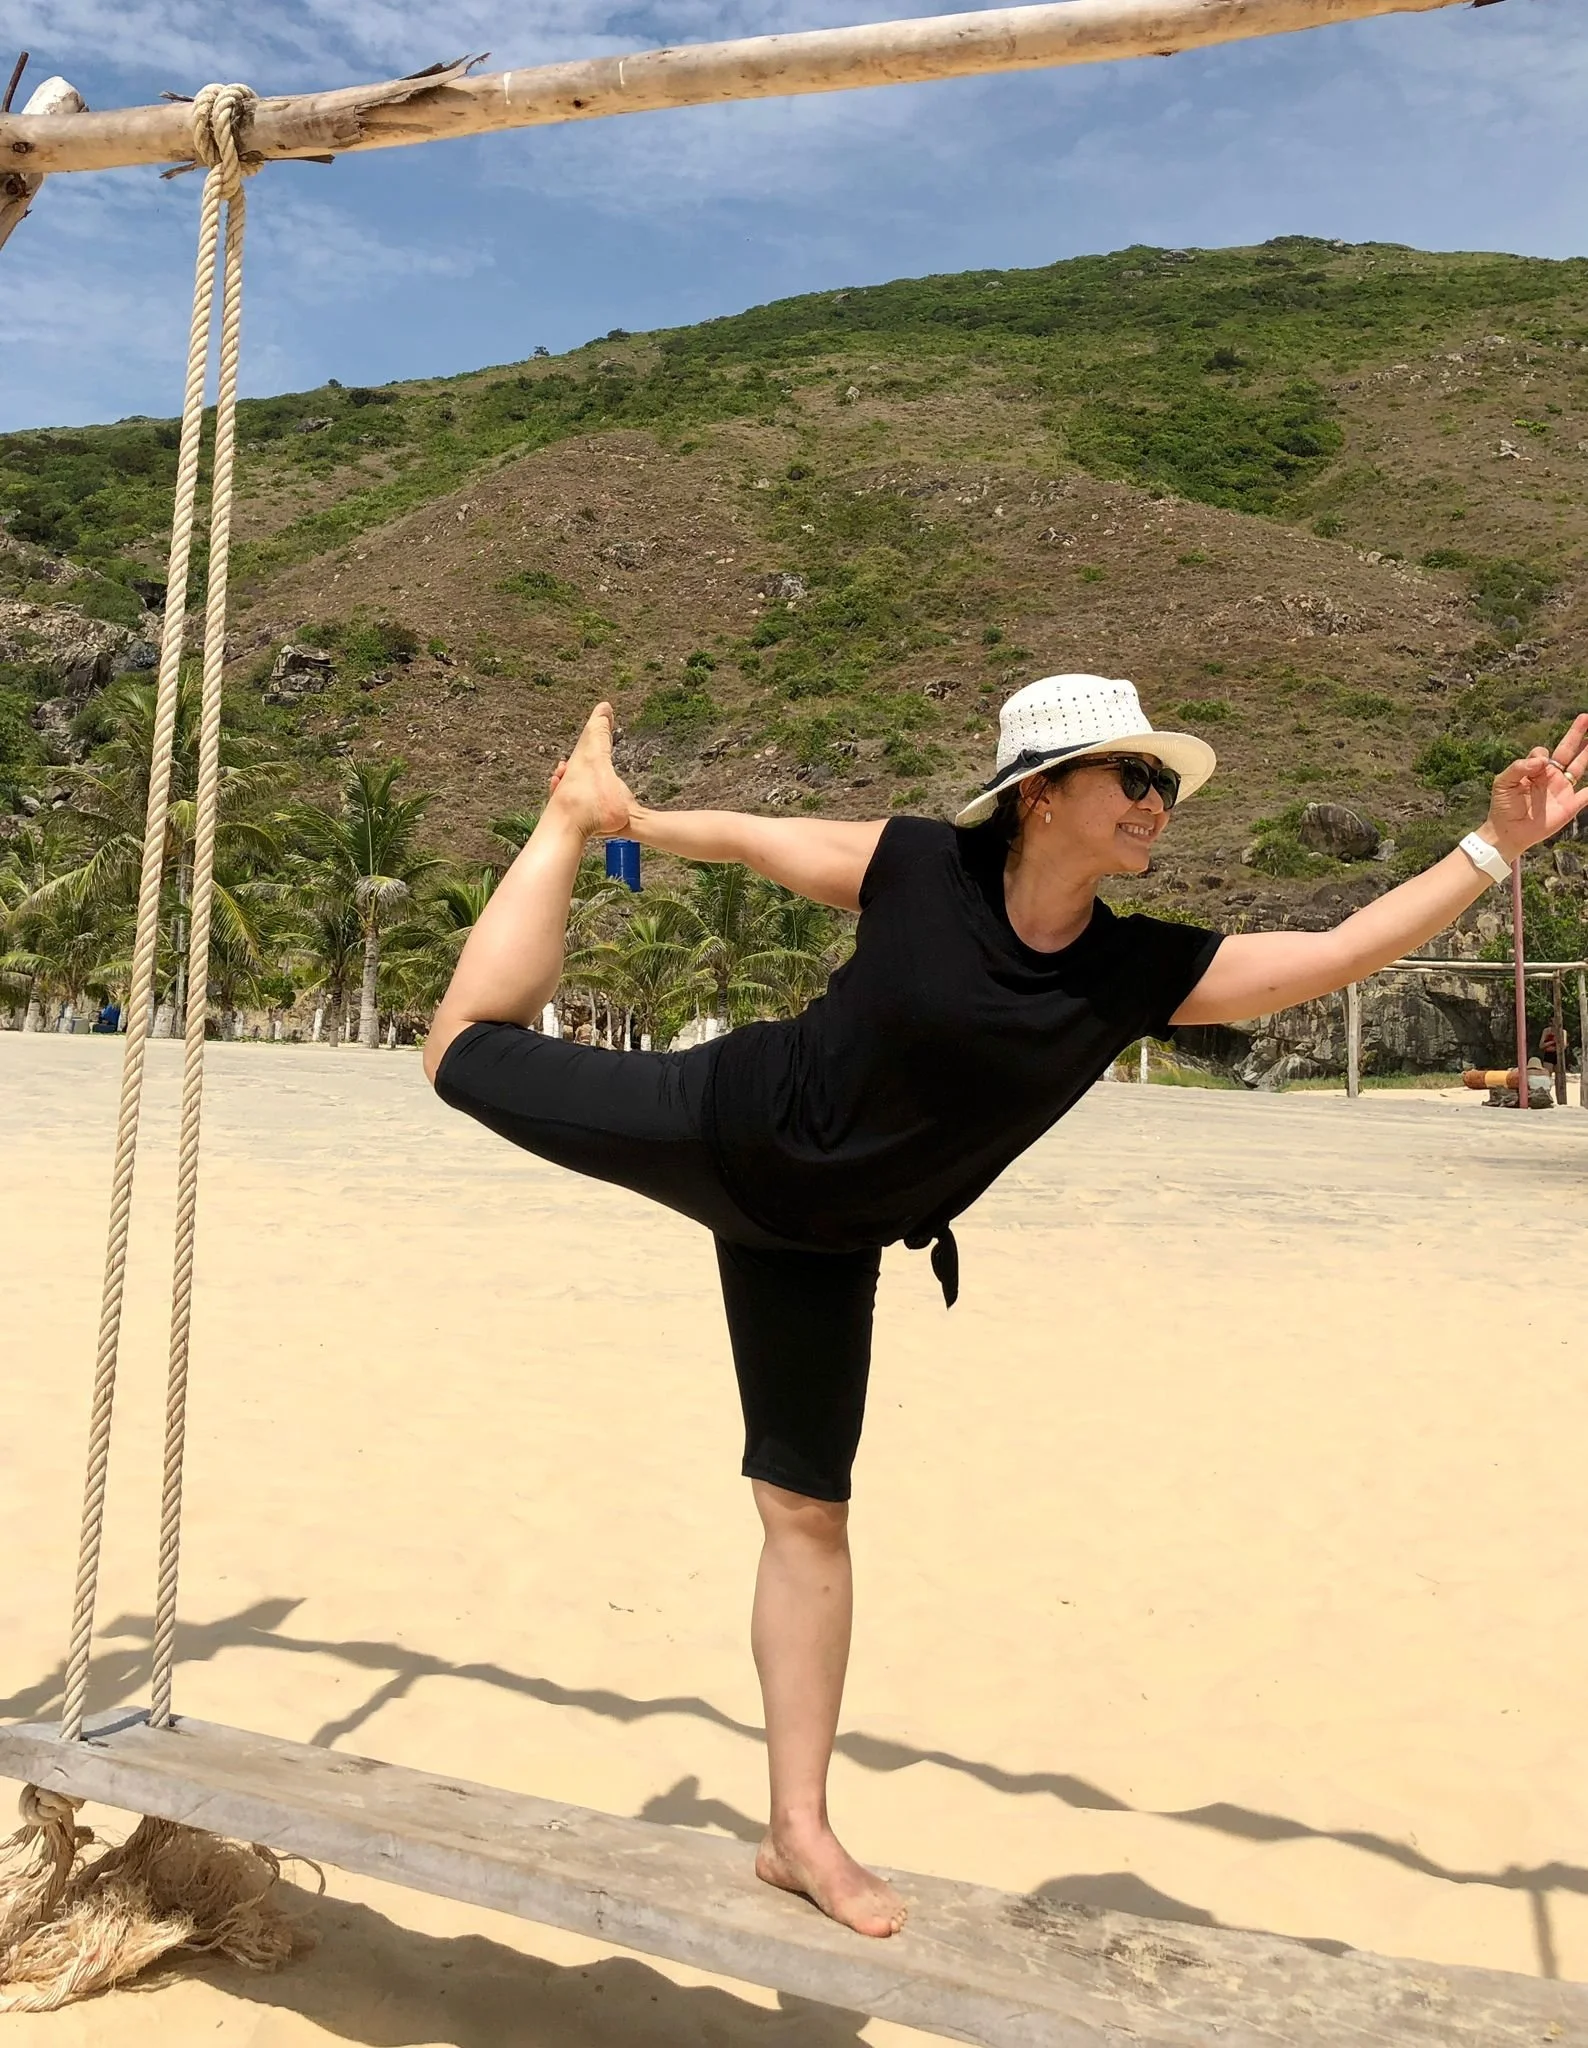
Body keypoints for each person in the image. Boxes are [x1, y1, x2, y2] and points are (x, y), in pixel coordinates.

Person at [422, 675, 1588, 1940]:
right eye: (1131, 775)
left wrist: (1494, 847)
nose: (1156, 800)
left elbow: (1333, 953)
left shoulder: (1131, 971)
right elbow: (759, 840)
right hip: (724, 1123)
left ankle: (796, 1829)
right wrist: (621, 819)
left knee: (806, 1510)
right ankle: (561, 818)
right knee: (463, 1054)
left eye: (1163, 782)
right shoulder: (920, 867)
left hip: (825, 1245)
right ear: (1038, 793)